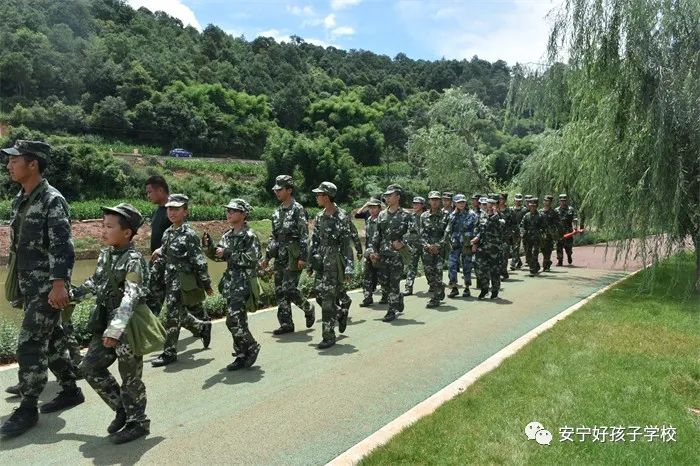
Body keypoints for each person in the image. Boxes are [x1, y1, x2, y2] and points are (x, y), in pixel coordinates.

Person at [1, 140, 83, 438]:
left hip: (48, 287)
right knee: (52, 339)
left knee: (29, 344)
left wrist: (59, 285)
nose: (9, 165)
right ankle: (70, 389)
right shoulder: (21, 198)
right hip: (30, 284)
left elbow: (63, 247)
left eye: (14, 160)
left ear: (33, 164)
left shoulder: (52, 200)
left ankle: (28, 406)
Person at [72, 203, 152, 444]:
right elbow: (95, 282)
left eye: (109, 227)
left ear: (127, 233)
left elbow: (131, 295)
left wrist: (116, 329)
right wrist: (71, 295)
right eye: (102, 225)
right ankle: (122, 409)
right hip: (105, 323)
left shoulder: (134, 260)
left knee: (130, 376)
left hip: (127, 326)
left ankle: (138, 422)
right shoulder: (106, 254)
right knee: (89, 367)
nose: (103, 230)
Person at [151, 194, 213, 367]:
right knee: (177, 314)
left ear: (185, 212)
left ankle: (169, 353)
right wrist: (156, 265)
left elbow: (199, 261)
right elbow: (166, 256)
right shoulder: (167, 233)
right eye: (169, 209)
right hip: (170, 280)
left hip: (184, 281)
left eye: (176, 209)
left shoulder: (189, 234)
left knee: (172, 315)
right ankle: (202, 327)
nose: (171, 212)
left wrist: (206, 283)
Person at [203, 199, 261, 370]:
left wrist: (228, 253)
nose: (228, 213)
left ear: (243, 214)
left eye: (233, 211)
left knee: (233, 320)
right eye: (228, 210)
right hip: (231, 283)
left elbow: (252, 259)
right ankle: (242, 354)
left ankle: (251, 346)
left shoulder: (249, 235)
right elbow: (218, 257)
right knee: (238, 320)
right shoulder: (227, 236)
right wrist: (209, 248)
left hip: (244, 282)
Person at [260, 175, 315, 336]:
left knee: (289, 289)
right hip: (280, 256)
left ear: (289, 190)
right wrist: (267, 257)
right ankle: (286, 324)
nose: (277, 192)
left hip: (294, 256)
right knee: (279, 290)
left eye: (280, 189)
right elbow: (273, 237)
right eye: (276, 190)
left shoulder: (298, 209)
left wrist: (303, 257)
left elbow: (304, 235)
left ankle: (307, 307)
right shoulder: (276, 212)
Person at [307, 182, 354, 348]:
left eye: (319, 194)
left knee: (327, 300)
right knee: (319, 295)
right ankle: (340, 312)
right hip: (321, 261)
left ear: (326, 196)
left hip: (334, 262)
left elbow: (346, 245)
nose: (316, 197)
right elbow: (314, 240)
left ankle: (328, 336)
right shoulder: (319, 216)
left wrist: (349, 267)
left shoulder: (341, 216)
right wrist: (310, 263)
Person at [367, 184, 416, 323]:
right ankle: (398, 297)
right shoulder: (382, 215)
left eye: (390, 195)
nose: (387, 198)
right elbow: (376, 235)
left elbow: (414, 233)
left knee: (394, 282)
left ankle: (391, 310)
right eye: (386, 196)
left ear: (398, 197)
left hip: (397, 255)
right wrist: (373, 251)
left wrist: (403, 241)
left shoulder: (406, 214)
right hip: (383, 254)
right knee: (384, 283)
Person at [144, 175, 172, 316]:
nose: (148, 195)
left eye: (150, 192)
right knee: (152, 302)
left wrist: (162, 249)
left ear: (160, 190)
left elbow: (180, 235)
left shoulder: (173, 210)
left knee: (156, 303)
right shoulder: (159, 210)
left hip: (169, 265)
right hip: (157, 263)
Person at [444, 194, 478, 298]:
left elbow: (477, 229)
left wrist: (475, 243)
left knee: (467, 265)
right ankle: (454, 287)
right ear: (455, 203)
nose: (461, 204)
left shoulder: (472, 214)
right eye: (459, 202)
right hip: (455, 244)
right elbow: (448, 229)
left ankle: (467, 287)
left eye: (463, 202)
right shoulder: (452, 215)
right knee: (452, 265)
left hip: (467, 243)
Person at [471, 198, 505, 299]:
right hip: (482, 247)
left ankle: (495, 290)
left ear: (496, 206)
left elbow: (501, 228)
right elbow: (477, 229)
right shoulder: (481, 216)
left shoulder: (500, 217)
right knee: (480, 268)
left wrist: (495, 215)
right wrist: (475, 242)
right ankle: (484, 288)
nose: (490, 206)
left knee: (495, 270)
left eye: (493, 204)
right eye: (488, 204)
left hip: (495, 248)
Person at [356, 197, 385, 307]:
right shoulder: (368, 220)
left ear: (379, 208)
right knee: (366, 276)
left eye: (374, 207)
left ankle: (386, 296)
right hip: (369, 252)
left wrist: (378, 252)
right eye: (370, 207)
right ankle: (367, 298)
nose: (371, 210)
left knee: (382, 276)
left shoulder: (383, 220)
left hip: (380, 252)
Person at [421, 191, 448, 307]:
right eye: (432, 199)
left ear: (440, 201)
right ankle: (439, 287)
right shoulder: (424, 216)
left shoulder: (446, 215)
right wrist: (427, 245)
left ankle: (435, 298)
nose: (435, 202)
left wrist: (437, 246)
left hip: (440, 250)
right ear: (429, 201)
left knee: (438, 273)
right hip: (427, 250)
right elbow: (421, 233)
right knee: (429, 273)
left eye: (437, 199)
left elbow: (447, 233)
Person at [403, 196, 425, 296]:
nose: (415, 205)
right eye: (414, 203)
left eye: (417, 204)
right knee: (411, 267)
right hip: (413, 246)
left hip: (425, 246)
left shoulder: (427, 216)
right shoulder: (410, 217)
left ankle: (433, 285)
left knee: (428, 267)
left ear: (422, 205)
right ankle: (408, 288)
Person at [520, 197, 545, 277]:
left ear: (536, 206)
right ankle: (536, 266)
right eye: (531, 206)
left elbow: (544, 227)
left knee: (535, 252)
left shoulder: (540, 215)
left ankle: (532, 269)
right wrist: (522, 233)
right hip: (528, 238)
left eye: (534, 206)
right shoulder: (526, 216)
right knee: (528, 254)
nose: (532, 207)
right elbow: (522, 226)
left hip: (537, 238)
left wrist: (542, 233)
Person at [555, 194, 578, 266]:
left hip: (568, 231)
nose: (563, 202)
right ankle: (560, 260)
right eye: (561, 201)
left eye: (564, 201)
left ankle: (569, 255)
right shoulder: (556, 210)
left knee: (568, 247)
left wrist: (575, 228)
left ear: (566, 201)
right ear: (559, 201)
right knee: (559, 246)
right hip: (559, 231)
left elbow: (574, 219)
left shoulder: (571, 209)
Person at [540, 195, 559, 271]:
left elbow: (557, 223)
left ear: (550, 202)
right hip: (542, 234)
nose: (545, 202)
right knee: (543, 249)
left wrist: (557, 234)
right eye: (544, 200)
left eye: (547, 201)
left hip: (550, 234)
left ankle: (545, 266)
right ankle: (548, 262)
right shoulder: (540, 211)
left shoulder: (554, 212)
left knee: (548, 250)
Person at [510, 194, 528, 270]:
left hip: (520, 231)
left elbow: (526, 221)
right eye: (516, 200)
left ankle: (513, 263)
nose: (518, 202)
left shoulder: (524, 210)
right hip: (511, 231)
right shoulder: (510, 209)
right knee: (513, 247)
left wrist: (523, 231)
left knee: (516, 247)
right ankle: (519, 262)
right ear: (514, 200)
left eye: (519, 201)